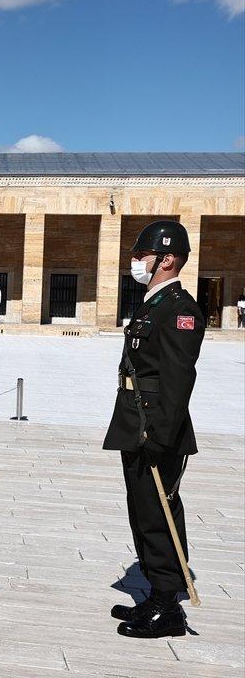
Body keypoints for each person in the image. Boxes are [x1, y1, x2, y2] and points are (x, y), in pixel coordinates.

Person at [103, 220, 204, 639]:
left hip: (156, 428)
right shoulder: (152, 304)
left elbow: (179, 380)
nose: (136, 263)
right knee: (142, 511)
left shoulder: (180, 309)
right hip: (136, 422)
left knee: (157, 512)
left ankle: (170, 608)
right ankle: (156, 594)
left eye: (141, 256)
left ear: (165, 259)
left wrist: (159, 435)